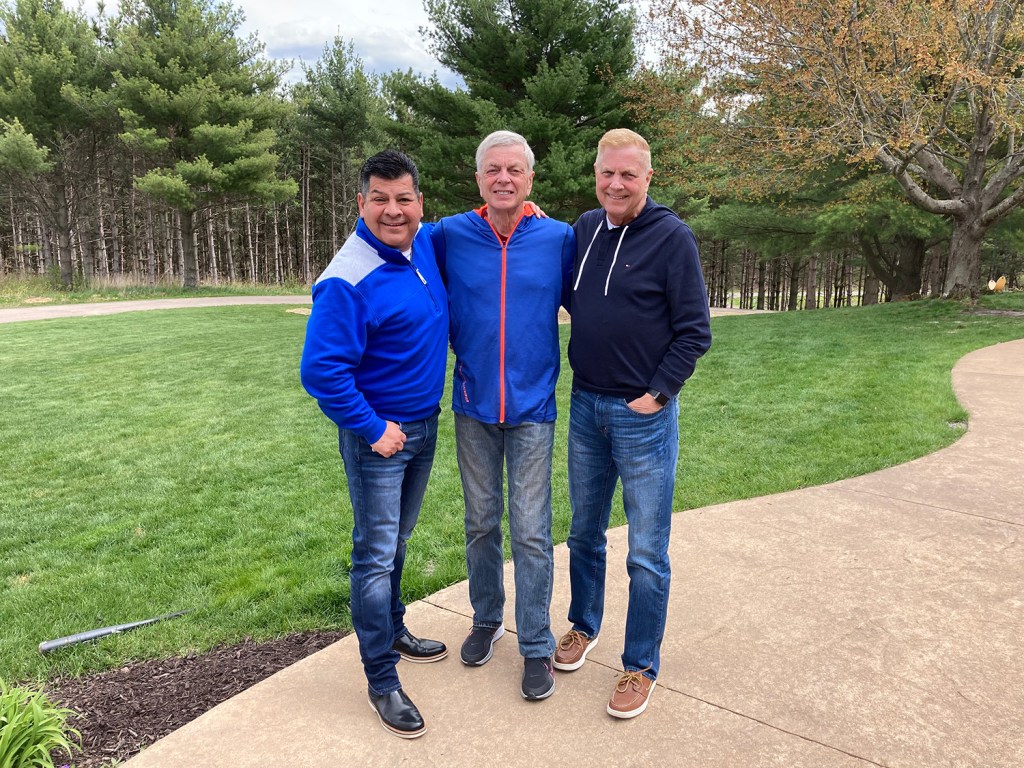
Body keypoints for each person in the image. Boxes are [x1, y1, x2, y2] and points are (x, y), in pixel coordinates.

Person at [553, 129, 712, 719]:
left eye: (628, 174)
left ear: (648, 177)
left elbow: (695, 331)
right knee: (584, 532)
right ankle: (583, 625)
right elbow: (560, 291)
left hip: (642, 416)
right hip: (586, 408)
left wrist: (658, 393)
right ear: (596, 175)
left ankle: (640, 664)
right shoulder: (584, 230)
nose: (616, 184)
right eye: (607, 173)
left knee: (646, 550)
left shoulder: (673, 238)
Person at [300, 150, 449, 739]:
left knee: (397, 543)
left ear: (419, 203)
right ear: (360, 203)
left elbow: (475, 220)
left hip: (424, 426)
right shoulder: (347, 277)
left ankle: (393, 629)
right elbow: (321, 372)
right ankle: (381, 678)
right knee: (375, 555)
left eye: (404, 198)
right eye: (380, 199)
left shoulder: (422, 245)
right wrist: (371, 428)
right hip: (380, 440)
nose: (393, 210)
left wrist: (518, 206)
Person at [430, 131, 575, 700]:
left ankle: (535, 644)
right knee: (482, 522)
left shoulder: (559, 238)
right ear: (479, 179)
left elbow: (598, 303)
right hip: (473, 404)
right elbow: (392, 246)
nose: (504, 178)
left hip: (534, 407)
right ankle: (486, 618)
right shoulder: (449, 234)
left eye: (514, 169)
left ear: (530, 178)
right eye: (493, 169)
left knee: (532, 531)